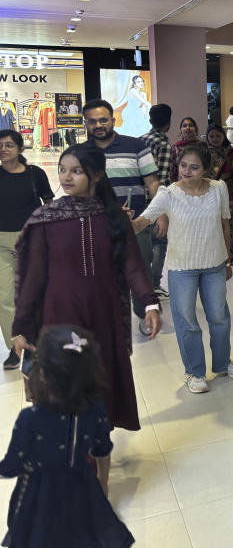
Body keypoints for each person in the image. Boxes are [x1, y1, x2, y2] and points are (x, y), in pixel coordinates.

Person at [12, 143, 161, 437]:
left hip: (103, 317)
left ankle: (96, 448)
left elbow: (133, 265)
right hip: (59, 317)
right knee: (67, 387)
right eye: (63, 170)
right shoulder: (46, 219)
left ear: (97, 175)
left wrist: (149, 304)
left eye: (76, 171)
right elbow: (33, 279)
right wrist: (21, 328)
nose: (67, 177)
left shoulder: (113, 218)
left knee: (101, 381)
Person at [0, 325, 135, 547]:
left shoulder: (30, 419)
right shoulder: (96, 410)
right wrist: (103, 483)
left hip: (38, 499)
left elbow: (11, 466)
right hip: (83, 489)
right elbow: (102, 450)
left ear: (43, 374)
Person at [131, 144, 233, 394]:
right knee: (187, 322)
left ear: (206, 169)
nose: (187, 171)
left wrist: (227, 261)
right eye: (183, 166)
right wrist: (126, 222)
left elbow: (225, 225)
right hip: (182, 268)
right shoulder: (168, 194)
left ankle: (224, 363)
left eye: (194, 167)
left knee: (219, 317)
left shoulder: (218, 189)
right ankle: (194, 372)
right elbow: (142, 222)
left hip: (214, 264)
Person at [83, 99, 161, 337]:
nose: (98, 125)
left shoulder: (136, 146)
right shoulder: (81, 153)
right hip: (96, 226)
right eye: (93, 121)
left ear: (113, 120)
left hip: (135, 225)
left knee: (141, 270)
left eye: (103, 119)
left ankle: (143, 312)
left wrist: (160, 214)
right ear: (86, 124)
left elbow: (153, 183)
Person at [0, 129, 54, 370]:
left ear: (21, 149)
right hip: (1, 243)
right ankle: (15, 346)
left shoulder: (35, 174)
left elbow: (50, 204)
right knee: (5, 298)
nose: (3, 149)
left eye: (9, 145)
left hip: (32, 240)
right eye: (0, 145)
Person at [140, 103, 173, 297]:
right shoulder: (163, 144)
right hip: (155, 201)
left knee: (142, 243)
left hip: (139, 200)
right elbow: (162, 177)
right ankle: (153, 284)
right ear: (168, 122)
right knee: (160, 242)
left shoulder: (141, 140)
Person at [205, 124, 233, 266]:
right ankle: (213, 258)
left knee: (229, 225)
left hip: (227, 195)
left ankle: (228, 256)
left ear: (224, 136)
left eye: (218, 136)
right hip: (207, 195)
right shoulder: (204, 153)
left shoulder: (231, 153)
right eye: (211, 136)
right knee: (210, 225)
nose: (215, 139)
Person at [169, 116, 201, 182]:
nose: (188, 128)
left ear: (195, 129)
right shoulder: (176, 147)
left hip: (198, 183)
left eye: (191, 125)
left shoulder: (202, 146)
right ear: (181, 129)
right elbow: (172, 170)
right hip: (180, 185)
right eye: (184, 126)